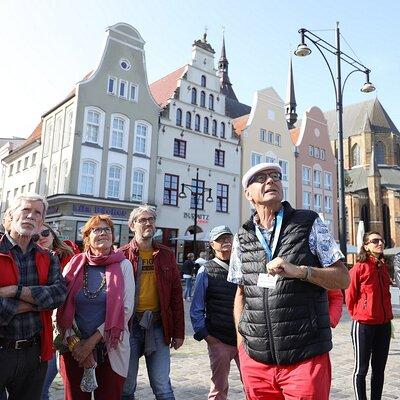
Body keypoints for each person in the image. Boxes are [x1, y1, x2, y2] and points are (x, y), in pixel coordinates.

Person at [228, 162, 350, 400]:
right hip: (256, 362)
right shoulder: (242, 236)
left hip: (305, 357)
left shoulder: (308, 222)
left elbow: (343, 278)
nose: (270, 180)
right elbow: (241, 293)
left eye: (275, 176)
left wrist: (301, 271)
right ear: (247, 194)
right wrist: (242, 344)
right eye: (261, 178)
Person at [57, 214, 135, 400]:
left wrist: (90, 344)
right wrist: (76, 344)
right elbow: (59, 306)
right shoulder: (73, 264)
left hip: (110, 349)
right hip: (73, 348)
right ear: (86, 237)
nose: (103, 233)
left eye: (107, 229)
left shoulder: (123, 265)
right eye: (96, 229)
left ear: (113, 236)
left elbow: (125, 310)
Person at [0, 194, 67, 400]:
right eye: (25, 210)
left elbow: (59, 295)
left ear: (41, 223)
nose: (30, 216)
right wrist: (38, 303)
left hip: (34, 352)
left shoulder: (48, 256)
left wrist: (14, 291)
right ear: (11, 216)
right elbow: (48, 299)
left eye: (37, 213)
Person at [120, 204, 184, 400]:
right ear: (132, 226)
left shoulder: (166, 254)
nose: (148, 223)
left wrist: (179, 332)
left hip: (158, 326)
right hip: (129, 327)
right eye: (142, 220)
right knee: (126, 387)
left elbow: (175, 295)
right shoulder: (121, 255)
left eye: (151, 220)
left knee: (162, 386)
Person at [190, 225, 240, 400]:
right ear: (212, 244)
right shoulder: (206, 270)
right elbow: (196, 308)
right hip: (219, 338)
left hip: (244, 339)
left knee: (254, 384)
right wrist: (206, 336)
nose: (225, 242)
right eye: (220, 239)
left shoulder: (241, 266)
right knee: (219, 388)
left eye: (228, 238)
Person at [345, 231, 393, 400]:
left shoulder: (383, 267)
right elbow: (349, 296)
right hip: (364, 325)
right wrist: (359, 314)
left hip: (384, 324)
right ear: (366, 246)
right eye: (375, 241)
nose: (380, 243)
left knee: (379, 369)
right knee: (361, 369)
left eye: (382, 240)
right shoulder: (359, 268)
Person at [38, 223, 80, 400]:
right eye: (36, 236)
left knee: (72, 384)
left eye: (45, 232)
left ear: (53, 234)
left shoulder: (72, 255)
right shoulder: (34, 259)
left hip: (70, 325)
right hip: (45, 326)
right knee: (41, 386)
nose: (42, 237)